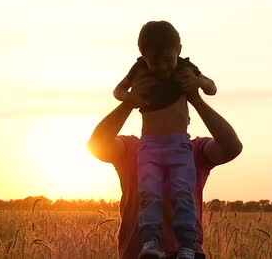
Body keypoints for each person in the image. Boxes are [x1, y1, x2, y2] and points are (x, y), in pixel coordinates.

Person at [87, 69, 243, 259]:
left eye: (173, 112)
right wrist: (129, 102)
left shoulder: (194, 151)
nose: (166, 119)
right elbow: (96, 145)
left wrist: (196, 99)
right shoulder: (131, 149)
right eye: (158, 112)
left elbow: (232, 147)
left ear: (187, 118)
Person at [112, 21, 216, 259]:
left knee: (182, 193)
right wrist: (130, 98)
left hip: (180, 146)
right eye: (154, 62)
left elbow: (212, 88)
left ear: (179, 49)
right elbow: (118, 91)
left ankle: (188, 247)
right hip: (149, 147)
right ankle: (150, 243)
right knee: (150, 193)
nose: (162, 67)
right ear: (143, 56)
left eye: (168, 59)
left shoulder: (185, 69)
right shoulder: (139, 71)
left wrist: (197, 83)